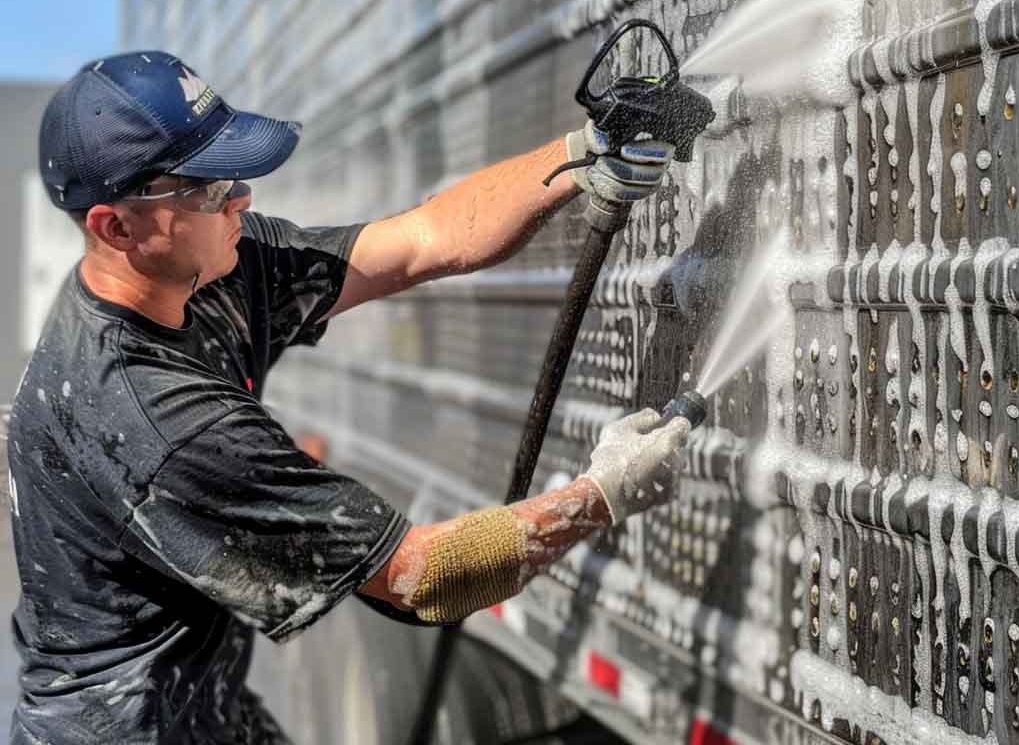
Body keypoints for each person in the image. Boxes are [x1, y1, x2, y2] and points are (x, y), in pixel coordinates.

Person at [8, 51, 690, 744]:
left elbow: (423, 241)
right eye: (209, 190)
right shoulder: (157, 420)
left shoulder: (205, 268)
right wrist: (604, 494)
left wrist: (584, 153)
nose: (242, 198)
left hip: (199, 709)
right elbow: (424, 577)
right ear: (116, 228)